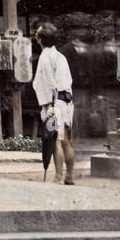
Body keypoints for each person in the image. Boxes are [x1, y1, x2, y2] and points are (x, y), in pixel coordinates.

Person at [34, 22, 76, 185]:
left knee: (55, 140)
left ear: (40, 39)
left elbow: (44, 83)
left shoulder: (45, 57)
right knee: (66, 140)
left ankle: (58, 176)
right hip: (67, 101)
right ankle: (69, 175)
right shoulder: (61, 56)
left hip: (54, 102)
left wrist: (47, 105)